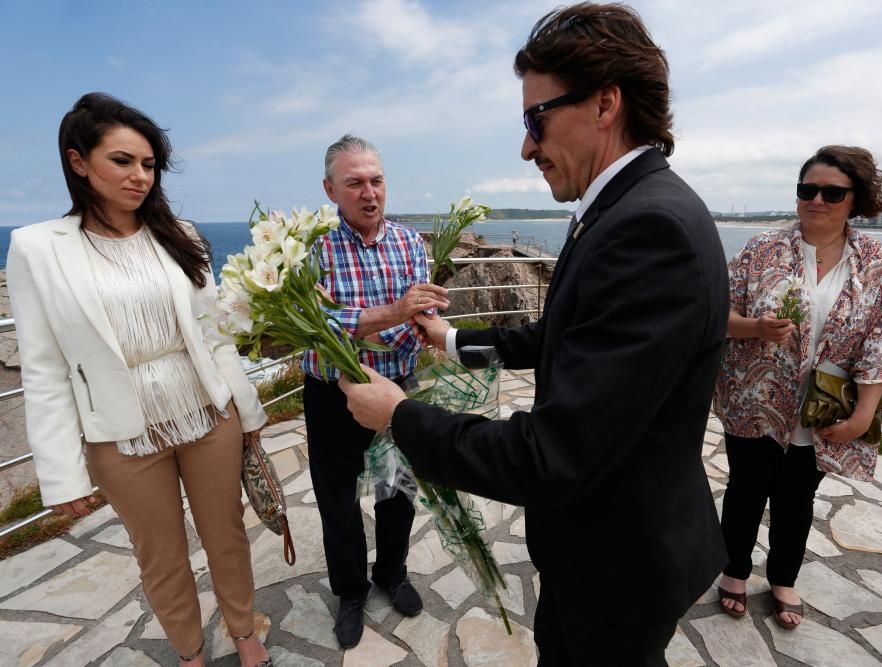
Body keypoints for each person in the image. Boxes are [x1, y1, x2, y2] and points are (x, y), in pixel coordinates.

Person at [338, 4, 729, 664]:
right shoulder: (624, 208)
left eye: (535, 118)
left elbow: (553, 455)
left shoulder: (646, 231)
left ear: (606, 103)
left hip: (616, 562)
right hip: (613, 545)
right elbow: (563, 335)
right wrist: (452, 340)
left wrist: (400, 415)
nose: (526, 146)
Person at [6, 93, 271, 666]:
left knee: (226, 536)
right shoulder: (36, 248)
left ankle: (247, 634)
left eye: (149, 164)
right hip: (122, 438)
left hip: (207, 414)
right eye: (122, 160)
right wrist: (60, 475)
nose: (140, 176)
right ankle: (190, 653)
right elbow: (46, 369)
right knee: (161, 556)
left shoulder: (181, 233)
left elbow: (213, 335)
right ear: (79, 162)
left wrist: (248, 415)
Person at [713, 146, 882, 629]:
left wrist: (863, 415)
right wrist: (756, 327)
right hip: (753, 400)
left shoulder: (879, 263)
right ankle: (734, 569)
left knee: (797, 498)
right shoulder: (761, 250)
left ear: (856, 199)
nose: (816, 200)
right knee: (744, 489)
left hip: (822, 408)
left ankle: (783, 578)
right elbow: (718, 316)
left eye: (832, 192)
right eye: (807, 189)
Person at [302, 134, 449, 650]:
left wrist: (361, 324)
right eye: (355, 183)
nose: (370, 193)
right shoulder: (312, 252)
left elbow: (421, 319)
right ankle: (350, 592)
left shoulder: (411, 244)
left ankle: (392, 572)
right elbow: (315, 327)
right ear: (330, 189)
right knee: (337, 500)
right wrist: (393, 313)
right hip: (331, 394)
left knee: (396, 491)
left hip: (396, 389)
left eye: (377, 180)